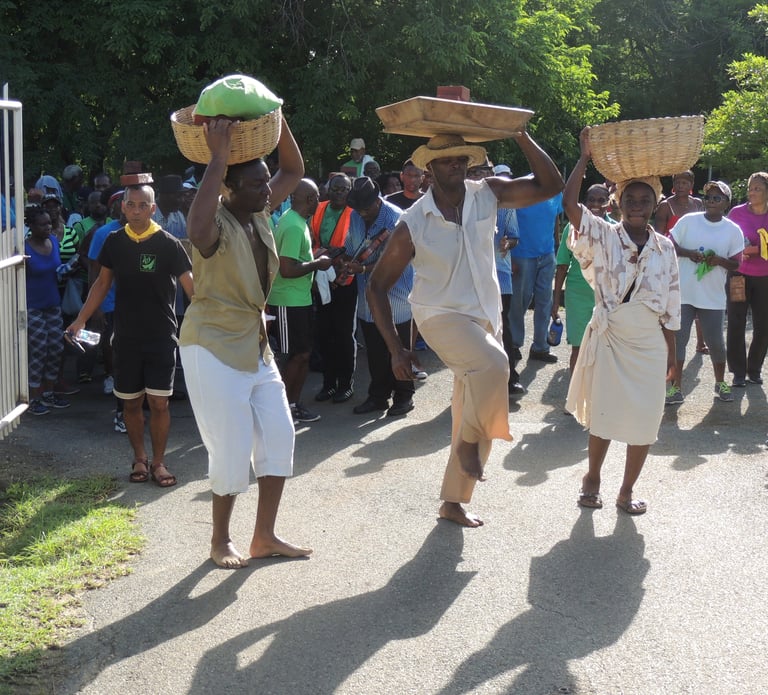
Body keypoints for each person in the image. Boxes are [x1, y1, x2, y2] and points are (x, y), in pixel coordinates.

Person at [367, 131, 563, 527]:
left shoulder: (487, 193)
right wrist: (395, 348)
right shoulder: (413, 221)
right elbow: (376, 286)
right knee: (494, 367)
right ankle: (470, 446)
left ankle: (453, 501)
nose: (456, 165)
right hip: (438, 316)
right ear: (430, 167)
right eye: (446, 160)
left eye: (461, 159)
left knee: (472, 403)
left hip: (483, 315)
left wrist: (521, 135)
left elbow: (550, 185)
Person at [180, 116, 312, 569]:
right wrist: (219, 155)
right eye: (256, 184)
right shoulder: (213, 222)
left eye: (264, 182)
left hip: (254, 342)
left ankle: (265, 536)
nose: (266, 190)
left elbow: (292, 169)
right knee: (231, 446)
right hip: (211, 344)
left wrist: (276, 117)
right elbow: (196, 232)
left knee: (279, 435)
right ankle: (220, 540)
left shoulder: (258, 213)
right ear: (228, 189)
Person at [563, 127, 680, 515]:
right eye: (630, 198)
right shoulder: (603, 234)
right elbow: (570, 206)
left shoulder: (666, 248)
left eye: (644, 200)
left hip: (649, 342)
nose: (637, 205)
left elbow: (671, 304)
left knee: (647, 419)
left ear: (655, 204)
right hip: (611, 336)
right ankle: (592, 478)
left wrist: (672, 354)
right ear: (617, 202)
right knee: (605, 414)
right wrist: (584, 159)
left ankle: (627, 490)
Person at [67, 183, 193, 488]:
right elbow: (101, 285)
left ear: (153, 209)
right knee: (131, 404)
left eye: (143, 205)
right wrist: (80, 320)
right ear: (123, 208)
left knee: (159, 403)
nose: (136, 211)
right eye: (131, 205)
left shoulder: (169, 244)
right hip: (125, 337)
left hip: (162, 336)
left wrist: (212, 323)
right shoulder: (114, 242)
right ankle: (140, 457)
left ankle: (159, 462)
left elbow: (193, 289)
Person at [665, 181, 744, 404]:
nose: (710, 201)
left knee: (715, 342)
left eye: (716, 198)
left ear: (726, 203)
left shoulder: (732, 230)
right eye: (708, 197)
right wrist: (688, 253)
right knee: (679, 341)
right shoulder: (689, 221)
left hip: (712, 296)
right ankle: (675, 388)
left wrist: (718, 260)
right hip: (684, 293)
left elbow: (736, 264)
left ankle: (720, 382)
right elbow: (670, 246)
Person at [343, 176, 415, 417]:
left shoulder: (397, 219)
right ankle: (378, 397)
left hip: (397, 295)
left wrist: (362, 269)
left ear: (377, 201)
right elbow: (353, 249)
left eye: (366, 207)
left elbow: (396, 261)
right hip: (367, 297)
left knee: (400, 347)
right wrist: (345, 262)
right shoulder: (355, 215)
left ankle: (404, 396)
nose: (362, 213)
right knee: (375, 350)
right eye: (358, 208)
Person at [268, 178, 331, 423]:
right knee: (293, 356)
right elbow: (287, 269)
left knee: (303, 354)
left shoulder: (298, 222)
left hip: (299, 300)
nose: (320, 201)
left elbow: (295, 258)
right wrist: (318, 263)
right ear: (309, 199)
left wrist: (314, 257)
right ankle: (281, 409)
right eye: (317, 196)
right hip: (287, 301)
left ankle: (293, 404)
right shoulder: (293, 225)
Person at [552, 184, 613, 373]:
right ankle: (575, 396)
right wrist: (555, 302)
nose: (596, 204)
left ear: (608, 204)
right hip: (577, 295)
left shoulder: (616, 230)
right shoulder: (572, 228)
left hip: (607, 297)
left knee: (606, 347)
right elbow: (562, 266)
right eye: (591, 200)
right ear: (584, 204)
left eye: (601, 200)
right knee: (578, 347)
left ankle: (599, 393)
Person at [309, 173, 358, 404]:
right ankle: (328, 384)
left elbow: (356, 245)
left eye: (344, 190)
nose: (339, 193)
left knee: (343, 334)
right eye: (335, 189)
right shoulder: (318, 209)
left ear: (350, 191)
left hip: (346, 279)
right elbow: (311, 238)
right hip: (322, 278)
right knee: (324, 333)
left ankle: (345, 385)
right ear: (328, 189)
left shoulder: (355, 213)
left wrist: (333, 253)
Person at [655, 171, 708, 354]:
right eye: (678, 182)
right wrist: (683, 253)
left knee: (699, 299)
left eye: (685, 182)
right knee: (674, 302)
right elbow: (659, 237)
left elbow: (705, 228)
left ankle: (701, 342)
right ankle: (669, 344)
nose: (681, 186)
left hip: (697, 259)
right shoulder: (665, 206)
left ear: (691, 184)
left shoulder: (699, 204)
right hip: (672, 260)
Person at [509, 190, 563, 365]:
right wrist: (509, 255)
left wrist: (556, 243)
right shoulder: (521, 188)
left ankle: (540, 347)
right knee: (520, 301)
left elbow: (555, 217)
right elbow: (508, 221)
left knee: (544, 302)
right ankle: (514, 344)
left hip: (547, 253)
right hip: (522, 254)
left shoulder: (555, 190)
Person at [24, 206, 70, 415]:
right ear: (31, 226)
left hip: (53, 303)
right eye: (42, 224)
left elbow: (56, 271)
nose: (47, 227)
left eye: (49, 223)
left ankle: (49, 394)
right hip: (33, 305)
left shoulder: (53, 242)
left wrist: (69, 268)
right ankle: (34, 397)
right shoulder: (24, 249)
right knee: (39, 348)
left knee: (56, 348)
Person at [726, 171, 768, 387]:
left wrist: (761, 247)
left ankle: (754, 369)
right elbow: (728, 241)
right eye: (750, 188)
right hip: (739, 275)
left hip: (765, 278)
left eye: (757, 188)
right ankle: (738, 372)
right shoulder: (736, 213)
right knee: (735, 321)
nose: (752, 192)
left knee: (763, 325)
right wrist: (747, 249)